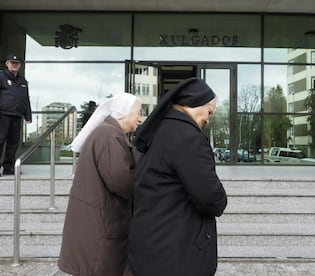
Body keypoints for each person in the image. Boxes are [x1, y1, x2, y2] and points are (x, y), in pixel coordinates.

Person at [126, 77, 228, 276]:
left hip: (151, 245)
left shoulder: (159, 131)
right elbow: (211, 198)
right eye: (209, 112)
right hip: (175, 254)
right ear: (196, 104)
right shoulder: (188, 138)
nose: (208, 119)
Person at [58, 93, 142, 276]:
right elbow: (122, 181)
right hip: (101, 226)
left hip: (97, 222)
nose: (140, 118)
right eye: (138, 113)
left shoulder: (107, 132)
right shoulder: (110, 135)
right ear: (124, 113)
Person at [0, 54, 32, 177]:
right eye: (12, 62)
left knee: (13, 144)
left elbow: (25, 100)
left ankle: (9, 167)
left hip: (17, 116)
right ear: (7, 63)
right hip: (2, 116)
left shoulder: (23, 81)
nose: (14, 65)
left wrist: (28, 116)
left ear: (20, 65)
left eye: (17, 63)